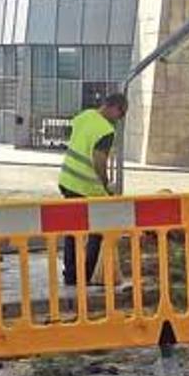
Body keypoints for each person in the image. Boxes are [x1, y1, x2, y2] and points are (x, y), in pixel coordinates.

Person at [57, 93, 127, 286]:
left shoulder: (85, 116)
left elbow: (77, 138)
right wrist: (106, 183)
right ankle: (85, 276)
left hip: (67, 180)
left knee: (72, 230)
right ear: (114, 107)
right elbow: (99, 160)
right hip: (87, 187)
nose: (118, 120)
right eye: (120, 115)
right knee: (97, 230)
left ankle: (70, 275)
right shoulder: (105, 130)